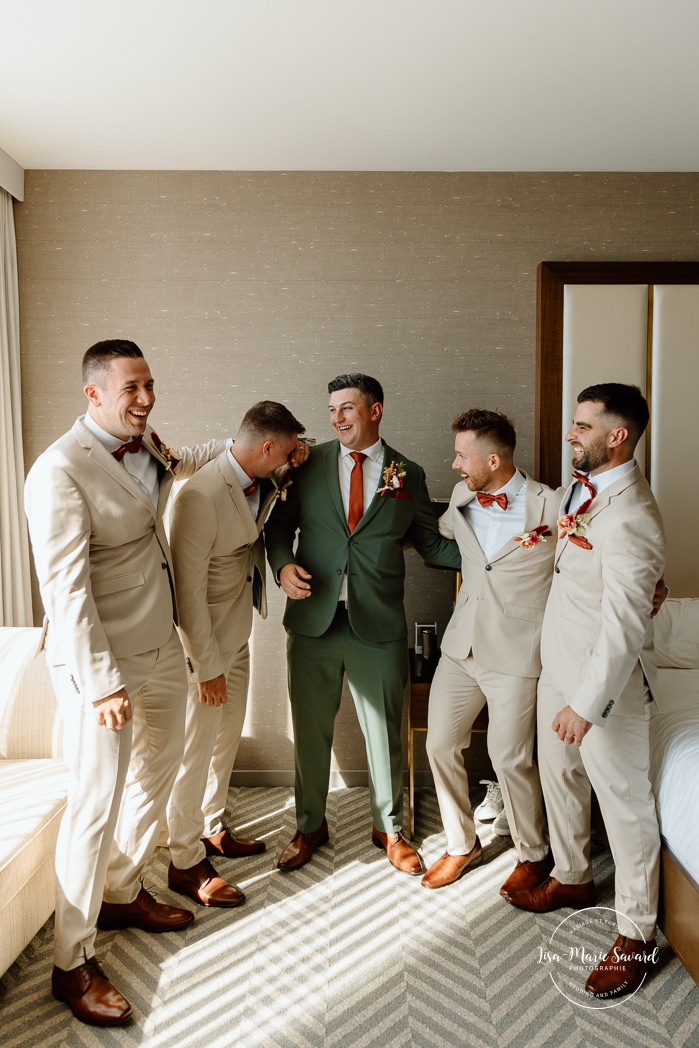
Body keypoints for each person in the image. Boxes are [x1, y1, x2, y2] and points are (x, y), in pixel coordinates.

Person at [24, 339, 226, 1027]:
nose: (145, 399)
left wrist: (253, 444)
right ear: (93, 394)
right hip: (99, 665)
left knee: (158, 774)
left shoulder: (149, 443)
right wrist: (103, 683)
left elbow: (182, 462)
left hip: (160, 649)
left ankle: (121, 889)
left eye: (149, 385)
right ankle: (71, 961)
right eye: (130, 388)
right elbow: (66, 591)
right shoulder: (57, 472)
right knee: (94, 803)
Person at [504, 383, 666, 1001]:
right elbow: (603, 574)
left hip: (604, 689)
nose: (572, 434)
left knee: (624, 809)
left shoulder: (632, 515)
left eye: (582, 426)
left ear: (616, 435)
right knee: (558, 775)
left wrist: (586, 705)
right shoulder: (583, 486)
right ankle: (572, 876)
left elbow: (625, 627)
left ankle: (636, 934)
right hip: (559, 667)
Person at [264, 373, 461, 874]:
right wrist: (283, 566)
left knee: (385, 732)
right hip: (315, 618)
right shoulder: (307, 466)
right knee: (310, 731)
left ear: (374, 411)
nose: (337, 418)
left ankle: (390, 828)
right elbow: (278, 528)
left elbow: (432, 544)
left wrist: (497, 558)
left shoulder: (407, 474)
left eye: (347, 408)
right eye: (332, 409)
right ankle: (309, 824)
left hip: (378, 623)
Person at [165, 401, 307, 907]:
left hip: (237, 632)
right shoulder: (199, 497)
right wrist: (206, 668)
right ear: (265, 447)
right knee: (193, 752)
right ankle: (183, 859)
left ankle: (211, 827)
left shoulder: (256, 470)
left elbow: (281, 473)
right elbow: (185, 594)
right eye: (286, 452)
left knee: (226, 740)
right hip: (203, 647)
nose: (291, 460)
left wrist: (296, 459)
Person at [423, 409, 560, 892]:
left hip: (518, 654)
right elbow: (444, 534)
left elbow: (596, 553)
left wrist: (654, 583)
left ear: (494, 458)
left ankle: (533, 853)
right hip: (462, 647)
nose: (455, 464)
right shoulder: (463, 497)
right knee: (439, 744)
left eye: (463, 455)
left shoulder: (552, 507)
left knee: (510, 758)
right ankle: (463, 844)